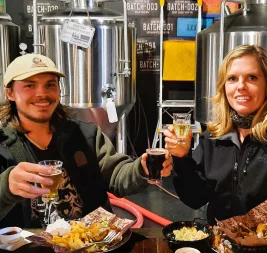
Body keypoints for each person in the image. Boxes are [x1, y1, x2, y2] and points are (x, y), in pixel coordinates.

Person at [0, 53, 173, 228]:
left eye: (50, 85)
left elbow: (115, 174)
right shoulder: (3, 145)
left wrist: (141, 169)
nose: (42, 93)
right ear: (10, 93)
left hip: (92, 242)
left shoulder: (84, 134)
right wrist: (5, 188)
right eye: (30, 85)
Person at [164, 44, 267, 225]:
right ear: (224, 87)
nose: (241, 86)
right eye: (232, 79)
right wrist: (182, 159)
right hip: (220, 244)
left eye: (252, 77)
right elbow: (196, 199)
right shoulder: (212, 138)